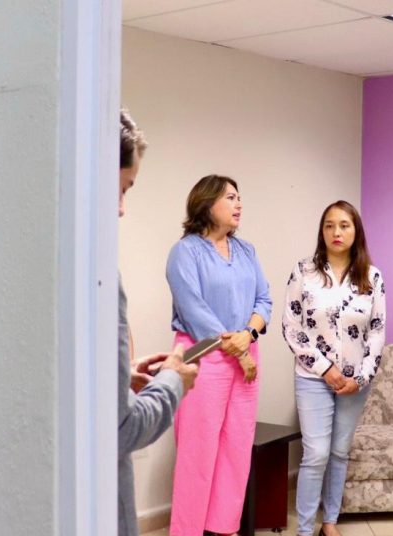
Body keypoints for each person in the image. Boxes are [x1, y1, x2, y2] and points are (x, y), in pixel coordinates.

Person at [166, 174, 272, 536]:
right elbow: (194, 310)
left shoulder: (247, 251)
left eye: (239, 197)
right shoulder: (185, 252)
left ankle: (223, 529)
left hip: (246, 353)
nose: (239, 203)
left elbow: (264, 300)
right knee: (197, 452)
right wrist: (239, 351)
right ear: (207, 203)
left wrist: (248, 335)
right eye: (230, 197)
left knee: (236, 450)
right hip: (203, 355)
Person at [117, 110, 200, 536]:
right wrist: (172, 382)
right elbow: (124, 428)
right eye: (121, 189)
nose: (121, 209)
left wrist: (124, 375)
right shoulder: (97, 281)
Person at [282, 200, 386, 536]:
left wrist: (361, 377)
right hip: (313, 377)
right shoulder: (304, 272)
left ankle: (330, 522)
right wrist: (326, 368)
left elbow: (377, 332)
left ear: (356, 231)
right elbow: (291, 327)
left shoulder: (372, 277)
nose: (336, 232)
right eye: (329, 225)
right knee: (316, 454)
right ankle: (304, 529)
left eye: (344, 225)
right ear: (322, 231)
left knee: (339, 452)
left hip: (355, 382)